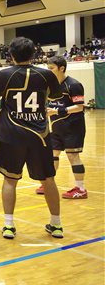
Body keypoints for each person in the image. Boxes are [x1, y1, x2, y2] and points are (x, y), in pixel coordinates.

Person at [0, 37, 63, 240]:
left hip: (11, 135)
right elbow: (55, 96)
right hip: (40, 136)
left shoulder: (3, 75)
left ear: (11, 55)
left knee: (10, 180)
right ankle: (56, 224)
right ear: (33, 54)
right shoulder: (46, 75)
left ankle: (9, 225)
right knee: (48, 179)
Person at [40, 55, 87, 199]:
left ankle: (81, 189)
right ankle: (49, 184)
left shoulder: (74, 85)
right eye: (47, 68)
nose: (48, 71)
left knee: (73, 156)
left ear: (61, 68)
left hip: (73, 127)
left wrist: (57, 111)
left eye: (51, 68)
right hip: (56, 127)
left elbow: (80, 107)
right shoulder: (50, 86)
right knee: (53, 155)